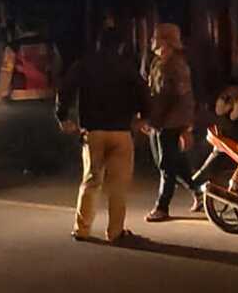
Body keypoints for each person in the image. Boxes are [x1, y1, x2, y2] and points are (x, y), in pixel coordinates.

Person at [56, 28, 151, 245]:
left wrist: (62, 116)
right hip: (121, 132)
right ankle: (115, 232)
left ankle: (82, 229)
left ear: (98, 44)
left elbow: (65, 89)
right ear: (120, 46)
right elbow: (143, 91)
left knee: (91, 180)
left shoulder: (84, 65)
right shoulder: (127, 67)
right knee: (118, 185)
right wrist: (144, 117)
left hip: (93, 131)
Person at [145, 23, 203, 222]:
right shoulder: (158, 62)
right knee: (174, 163)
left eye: (156, 37)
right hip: (161, 120)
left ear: (166, 41)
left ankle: (162, 207)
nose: (152, 41)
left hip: (170, 122)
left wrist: (186, 126)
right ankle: (199, 191)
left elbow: (176, 97)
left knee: (166, 166)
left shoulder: (176, 65)